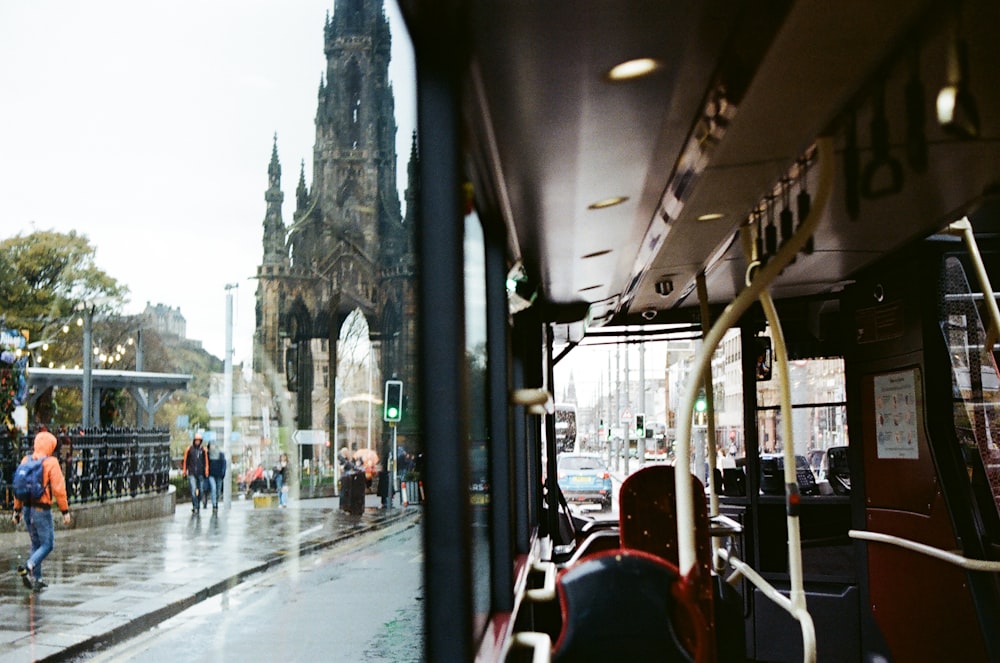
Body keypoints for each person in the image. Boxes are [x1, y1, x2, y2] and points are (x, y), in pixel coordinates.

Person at [11, 430, 71, 591]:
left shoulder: (26, 460)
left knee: (36, 543)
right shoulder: (51, 462)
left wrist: (17, 511)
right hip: (42, 510)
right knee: (48, 544)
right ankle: (30, 565)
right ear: (51, 445)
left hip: (27, 509)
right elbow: (59, 489)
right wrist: (65, 511)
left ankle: (37, 579)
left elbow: (18, 487)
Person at [182, 433, 209, 515]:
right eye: (196, 440)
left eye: (199, 440)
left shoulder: (203, 450)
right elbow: (185, 461)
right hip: (192, 473)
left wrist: (206, 471)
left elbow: (206, 462)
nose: (197, 442)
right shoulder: (189, 449)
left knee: (201, 490)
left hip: (200, 473)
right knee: (193, 490)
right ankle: (195, 506)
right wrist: (184, 471)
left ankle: (198, 504)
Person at [206, 442, 227, 513]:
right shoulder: (208, 455)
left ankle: (216, 502)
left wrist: (223, 473)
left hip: (219, 475)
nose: (212, 447)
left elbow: (224, 463)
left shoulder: (221, 454)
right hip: (211, 475)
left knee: (218, 490)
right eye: (211, 446)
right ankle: (214, 505)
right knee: (213, 488)